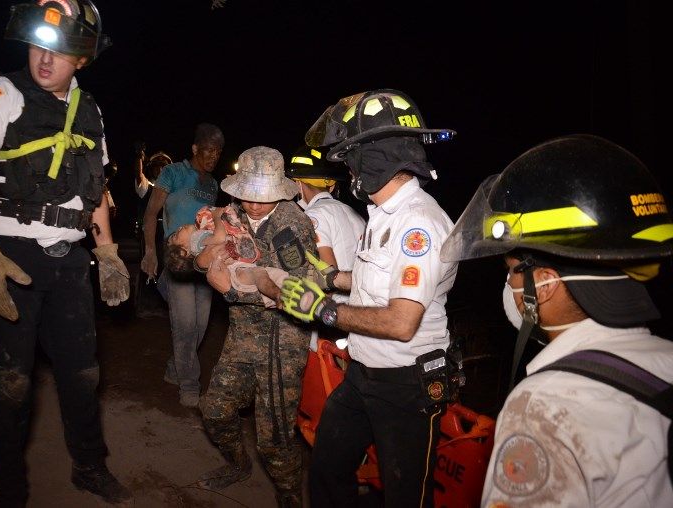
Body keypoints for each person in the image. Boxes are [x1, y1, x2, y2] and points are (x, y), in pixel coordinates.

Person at [0, 1, 131, 504]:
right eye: (37, 46)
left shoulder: (91, 109)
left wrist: (109, 252)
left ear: (82, 58)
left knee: (83, 376)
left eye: (58, 51)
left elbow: (94, 187)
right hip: (10, 256)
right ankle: (4, 491)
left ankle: (89, 466)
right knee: (10, 386)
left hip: (71, 261)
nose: (44, 59)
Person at [439, 134, 673, 507]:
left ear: (544, 285)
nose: (509, 284)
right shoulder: (664, 360)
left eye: (513, 271)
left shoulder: (544, 407)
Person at [280, 88, 458, 506]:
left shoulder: (420, 224)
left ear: (372, 157)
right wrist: (324, 280)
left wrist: (322, 310)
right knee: (327, 465)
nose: (348, 169)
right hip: (362, 373)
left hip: (406, 383)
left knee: (405, 494)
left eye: (350, 158)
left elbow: (400, 321)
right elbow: (366, 281)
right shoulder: (382, 215)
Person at [198, 146, 317, 507]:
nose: (254, 205)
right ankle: (238, 464)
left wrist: (231, 289)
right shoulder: (231, 213)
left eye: (262, 198)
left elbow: (296, 293)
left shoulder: (291, 225)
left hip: (282, 341)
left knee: (274, 438)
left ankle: (289, 495)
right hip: (242, 336)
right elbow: (204, 255)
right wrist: (207, 256)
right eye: (248, 196)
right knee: (215, 411)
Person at [140, 122, 224, 408]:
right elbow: (151, 214)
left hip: (204, 261)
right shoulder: (173, 172)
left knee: (200, 326)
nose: (214, 157)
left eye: (218, 152)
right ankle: (189, 385)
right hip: (177, 259)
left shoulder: (212, 184)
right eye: (209, 150)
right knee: (185, 324)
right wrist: (150, 252)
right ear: (195, 148)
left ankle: (176, 368)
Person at [285, 143, 366, 350]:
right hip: (361, 314)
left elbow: (326, 273)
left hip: (332, 320)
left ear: (298, 185)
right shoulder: (353, 214)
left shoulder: (313, 217)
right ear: (330, 185)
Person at [166, 204, 287, 307]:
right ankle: (279, 295)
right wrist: (216, 216)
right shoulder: (196, 240)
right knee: (261, 276)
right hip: (235, 268)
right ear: (184, 251)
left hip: (239, 268)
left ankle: (278, 295)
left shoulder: (201, 235)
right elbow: (219, 238)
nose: (179, 228)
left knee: (261, 275)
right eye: (176, 235)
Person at [133, 142, 172, 318]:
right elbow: (138, 175)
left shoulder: (171, 190)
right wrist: (139, 157)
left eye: (164, 166)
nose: (161, 169)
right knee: (148, 267)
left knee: (166, 268)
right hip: (149, 232)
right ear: (152, 168)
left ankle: (163, 306)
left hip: (167, 232)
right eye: (158, 166)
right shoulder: (146, 186)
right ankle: (145, 306)